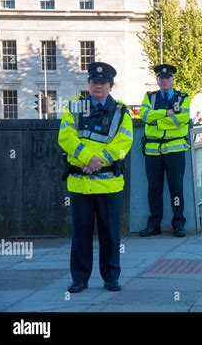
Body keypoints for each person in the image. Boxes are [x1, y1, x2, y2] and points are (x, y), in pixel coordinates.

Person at [58, 62, 133, 293]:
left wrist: (96, 160)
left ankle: (111, 277)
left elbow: (124, 142)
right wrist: (88, 158)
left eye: (102, 83)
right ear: (88, 84)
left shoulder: (121, 111)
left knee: (110, 233)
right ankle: (79, 279)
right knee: (80, 233)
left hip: (108, 183)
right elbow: (66, 137)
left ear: (111, 86)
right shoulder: (73, 106)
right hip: (80, 184)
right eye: (94, 82)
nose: (97, 87)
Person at [138, 64, 191, 238]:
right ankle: (154, 224)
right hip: (153, 150)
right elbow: (144, 116)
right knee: (154, 188)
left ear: (172, 80)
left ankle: (178, 223)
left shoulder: (183, 97)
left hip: (175, 150)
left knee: (176, 188)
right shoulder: (149, 97)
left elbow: (182, 120)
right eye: (161, 78)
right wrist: (167, 113)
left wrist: (159, 120)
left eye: (167, 78)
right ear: (158, 80)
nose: (164, 80)